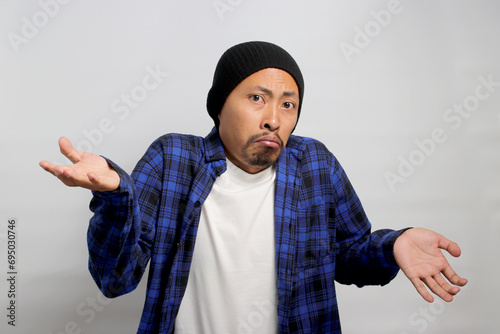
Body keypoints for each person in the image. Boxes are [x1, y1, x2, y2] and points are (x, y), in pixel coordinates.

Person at [40, 41, 467, 334]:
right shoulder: (173, 161)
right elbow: (117, 278)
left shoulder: (315, 164)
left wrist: (394, 244)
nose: (274, 119)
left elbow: (350, 258)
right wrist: (115, 198)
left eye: (288, 103)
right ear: (220, 105)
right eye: (257, 98)